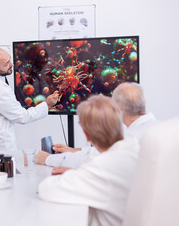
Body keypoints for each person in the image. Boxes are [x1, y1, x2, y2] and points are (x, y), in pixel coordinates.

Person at [38, 95, 140, 226]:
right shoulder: (134, 149)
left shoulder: (103, 168)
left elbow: (47, 189)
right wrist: (80, 173)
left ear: (86, 135)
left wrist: (76, 175)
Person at [35, 82, 157, 171]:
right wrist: (72, 150)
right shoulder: (156, 128)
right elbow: (99, 151)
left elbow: (93, 158)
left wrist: (47, 158)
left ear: (119, 109)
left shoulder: (130, 139)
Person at [0, 47, 59, 151]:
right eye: (7, 63)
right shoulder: (0, 90)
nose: (12, 64)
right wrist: (46, 104)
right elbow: (23, 117)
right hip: (1, 146)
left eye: (10, 60)